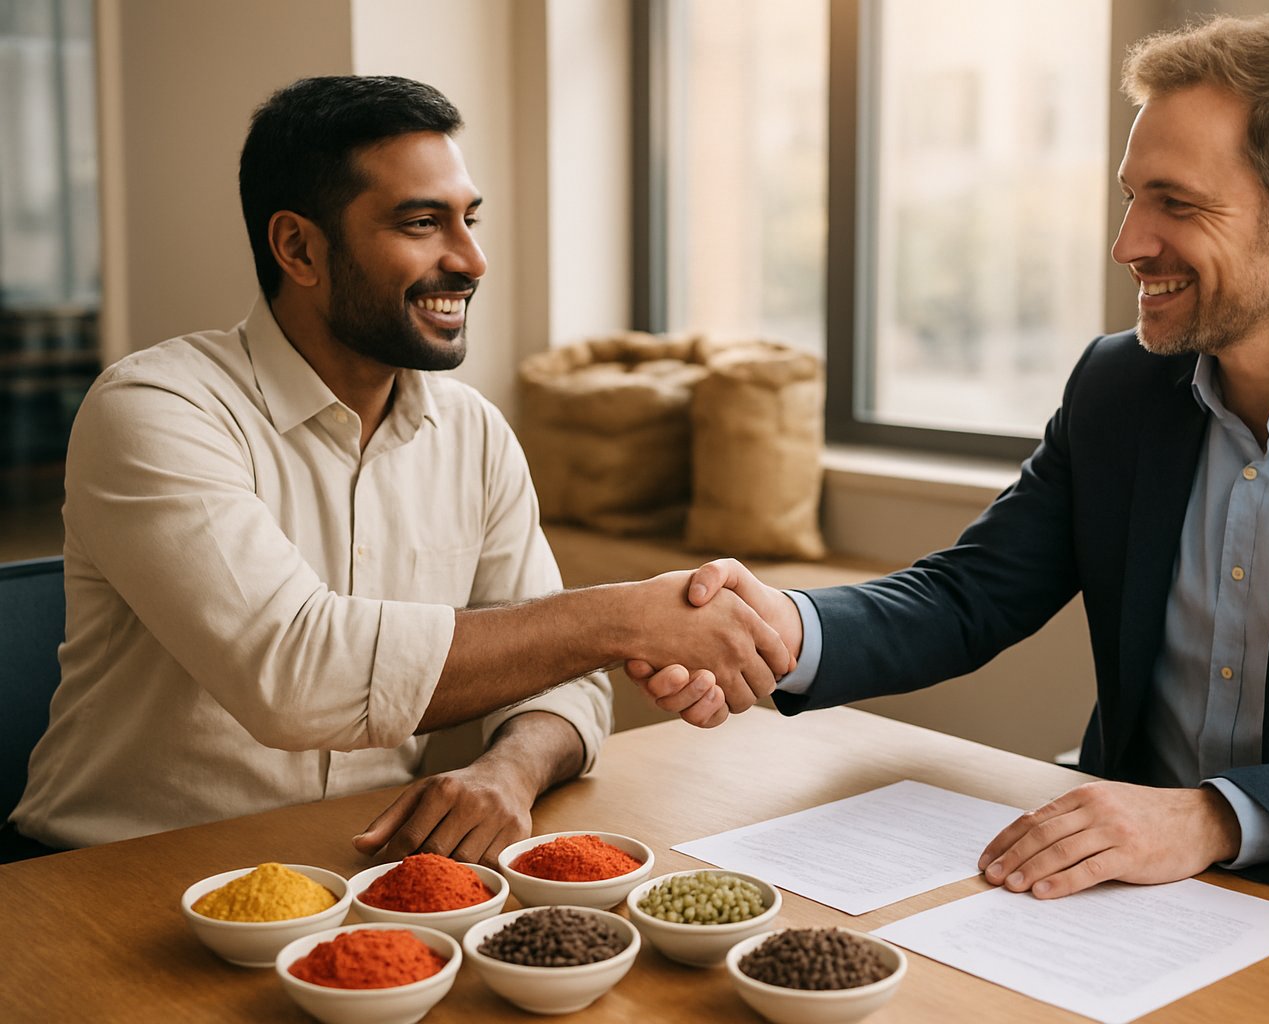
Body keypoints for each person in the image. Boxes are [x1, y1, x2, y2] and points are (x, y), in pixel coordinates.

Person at [632, 16, 1269, 898]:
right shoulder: (1120, 387)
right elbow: (971, 594)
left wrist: (1215, 818)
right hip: (1128, 898)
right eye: (1131, 197)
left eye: (1176, 204)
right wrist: (786, 630)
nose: (1128, 245)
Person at [5, 76, 791, 866]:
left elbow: (563, 679)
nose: (472, 259)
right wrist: (623, 616)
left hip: (350, 874)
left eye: (469, 220)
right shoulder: (155, 408)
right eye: (423, 223)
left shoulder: (474, 432)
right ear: (299, 248)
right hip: (102, 873)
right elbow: (297, 675)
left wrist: (507, 771)